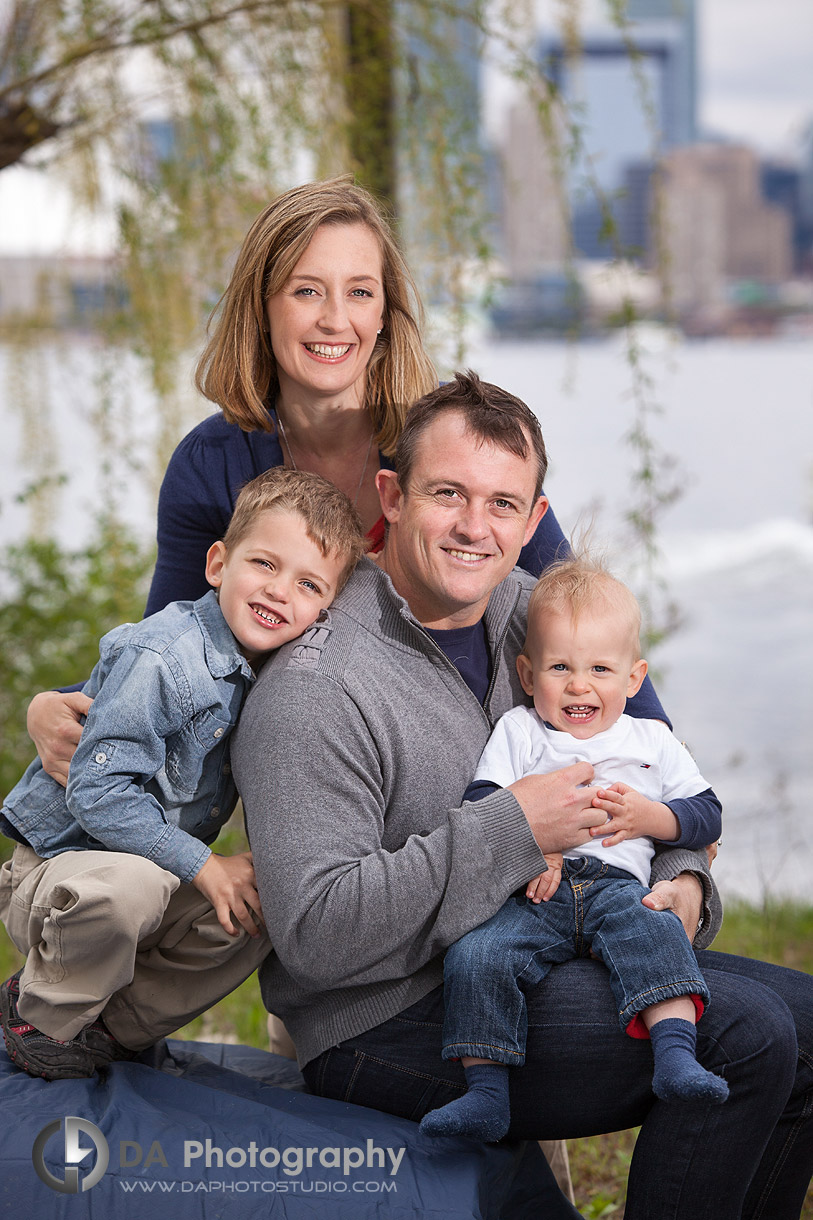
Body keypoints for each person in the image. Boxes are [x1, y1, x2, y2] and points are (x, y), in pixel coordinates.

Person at [231, 372, 813, 1220]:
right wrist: (511, 829)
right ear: (390, 496)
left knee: (805, 1023)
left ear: (535, 521)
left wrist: (684, 877)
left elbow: (650, 763)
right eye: (448, 494)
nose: (476, 527)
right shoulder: (317, 683)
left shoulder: (533, 619)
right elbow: (316, 937)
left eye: (503, 504)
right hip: (387, 1018)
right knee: (745, 1035)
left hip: (568, 945)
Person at [24, 175, 646, 788]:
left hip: (487, 768)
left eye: (359, 293)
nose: (334, 319)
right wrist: (55, 704)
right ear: (262, 305)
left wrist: (676, 826)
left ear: (385, 313)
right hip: (313, 781)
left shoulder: (445, 446)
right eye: (306, 291)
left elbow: (586, 621)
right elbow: (174, 643)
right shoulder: (211, 463)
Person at [0, 468, 364, 1081]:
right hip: (60, 872)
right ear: (218, 563)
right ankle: (41, 1015)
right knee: (131, 887)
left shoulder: (274, 679)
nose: (280, 592)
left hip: (143, 877)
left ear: (325, 612)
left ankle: (114, 1028)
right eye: (265, 564)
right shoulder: (164, 657)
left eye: (307, 583)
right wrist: (202, 864)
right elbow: (97, 790)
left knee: (270, 895)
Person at [420, 556, 727, 1145]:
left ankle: (675, 1059)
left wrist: (652, 817)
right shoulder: (520, 730)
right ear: (529, 674)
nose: (580, 684)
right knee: (477, 954)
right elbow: (485, 799)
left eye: (600, 669)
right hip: (539, 890)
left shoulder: (652, 741)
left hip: (620, 885)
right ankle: (485, 1094)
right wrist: (533, 845)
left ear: (634, 679)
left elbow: (706, 813)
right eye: (560, 667)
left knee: (657, 932)